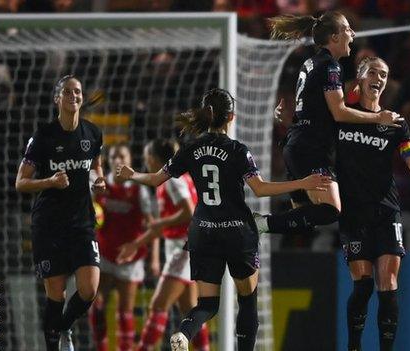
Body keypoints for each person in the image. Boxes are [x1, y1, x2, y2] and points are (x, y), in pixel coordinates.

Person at [115, 88, 331, 351]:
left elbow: (155, 179)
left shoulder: (190, 148)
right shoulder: (238, 150)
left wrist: (130, 174)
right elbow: (260, 189)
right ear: (232, 116)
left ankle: (183, 334)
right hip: (236, 232)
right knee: (248, 300)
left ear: (206, 116)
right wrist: (303, 182)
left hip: (203, 232)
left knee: (207, 305)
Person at [257, 11, 402, 235]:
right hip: (310, 150)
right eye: (346, 29)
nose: (352, 34)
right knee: (330, 211)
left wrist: (285, 117)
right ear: (334, 37)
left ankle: (259, 226)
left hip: (296, 145)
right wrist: (378, 117)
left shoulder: (310, 63)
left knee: (308, 220)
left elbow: (311, 108)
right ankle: (259, 224)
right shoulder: (331, 66)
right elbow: (339, 112)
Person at [336, 57, 410, 351]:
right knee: (362, 286)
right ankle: (355, 346)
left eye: (384, 74)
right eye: (372, 72)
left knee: (389, 283)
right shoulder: (343, 116)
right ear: (359, 79)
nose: (379, 78)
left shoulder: (396, 122)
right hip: (353, 214)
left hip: (387, 211)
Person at [15, 75, 105, 351]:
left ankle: (65, 326)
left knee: (89, 290)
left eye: (77, 91)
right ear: (57, 99)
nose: (74, 95)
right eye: (67, 91)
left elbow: (96, 168)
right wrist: (50, 181)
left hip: (82, 222)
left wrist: (98, 181)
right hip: (49, 225)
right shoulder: (43, 137)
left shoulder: (92, 133)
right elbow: (21, 182)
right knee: (56, 294)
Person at [117, 139, 209, 351]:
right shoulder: (170, 181)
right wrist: (136, 244)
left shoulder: (173, 180)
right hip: (185, 247)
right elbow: (163, 226)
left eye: (147, 154)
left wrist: (161, 222)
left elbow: (189, 211)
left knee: (158, 305)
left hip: (184, 249)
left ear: (154, 158)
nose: (145, 159)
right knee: (190, 312)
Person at [89, 143, 156, 351]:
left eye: (123, 155)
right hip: (105, 254)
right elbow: (90, 216)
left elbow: (151, 225)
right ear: (108, 160)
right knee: (96, 305)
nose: (118, 159)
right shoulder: (101, 186)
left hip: (130, 258)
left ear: (129, 160)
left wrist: (154, 259)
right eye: (115, 155)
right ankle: (101, 347)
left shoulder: (139, 189)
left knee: (125, 311)